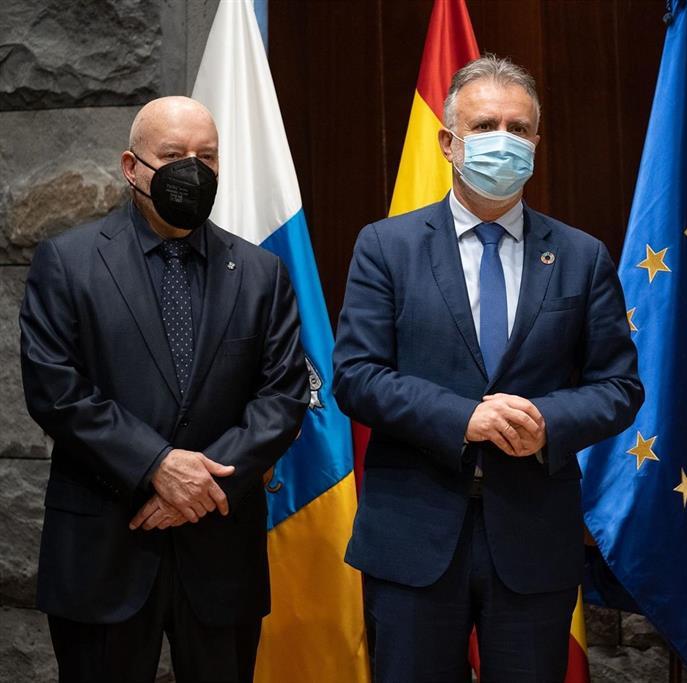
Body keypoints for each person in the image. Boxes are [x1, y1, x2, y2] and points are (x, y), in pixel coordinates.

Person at [333, 55, 643, 682]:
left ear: (537, 144)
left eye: (517, 128)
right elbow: (357, 376)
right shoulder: (386, 246)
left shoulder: (582, 256)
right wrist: (464, 418)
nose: (503, 140)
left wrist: (547, 421)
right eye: (483, 126)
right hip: (413, 537)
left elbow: (619, 387)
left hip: (532, 538)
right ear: (448, 143)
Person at [19, 96, 309, 682]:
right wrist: (156, 465)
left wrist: (198, 485)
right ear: (132, 167)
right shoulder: (68, 262)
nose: (192, 171)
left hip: (221, 552)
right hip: (105, 546)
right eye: (174, 156)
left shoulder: (261, 272)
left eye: (207, 157)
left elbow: (282, 397)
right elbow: (57, 391)